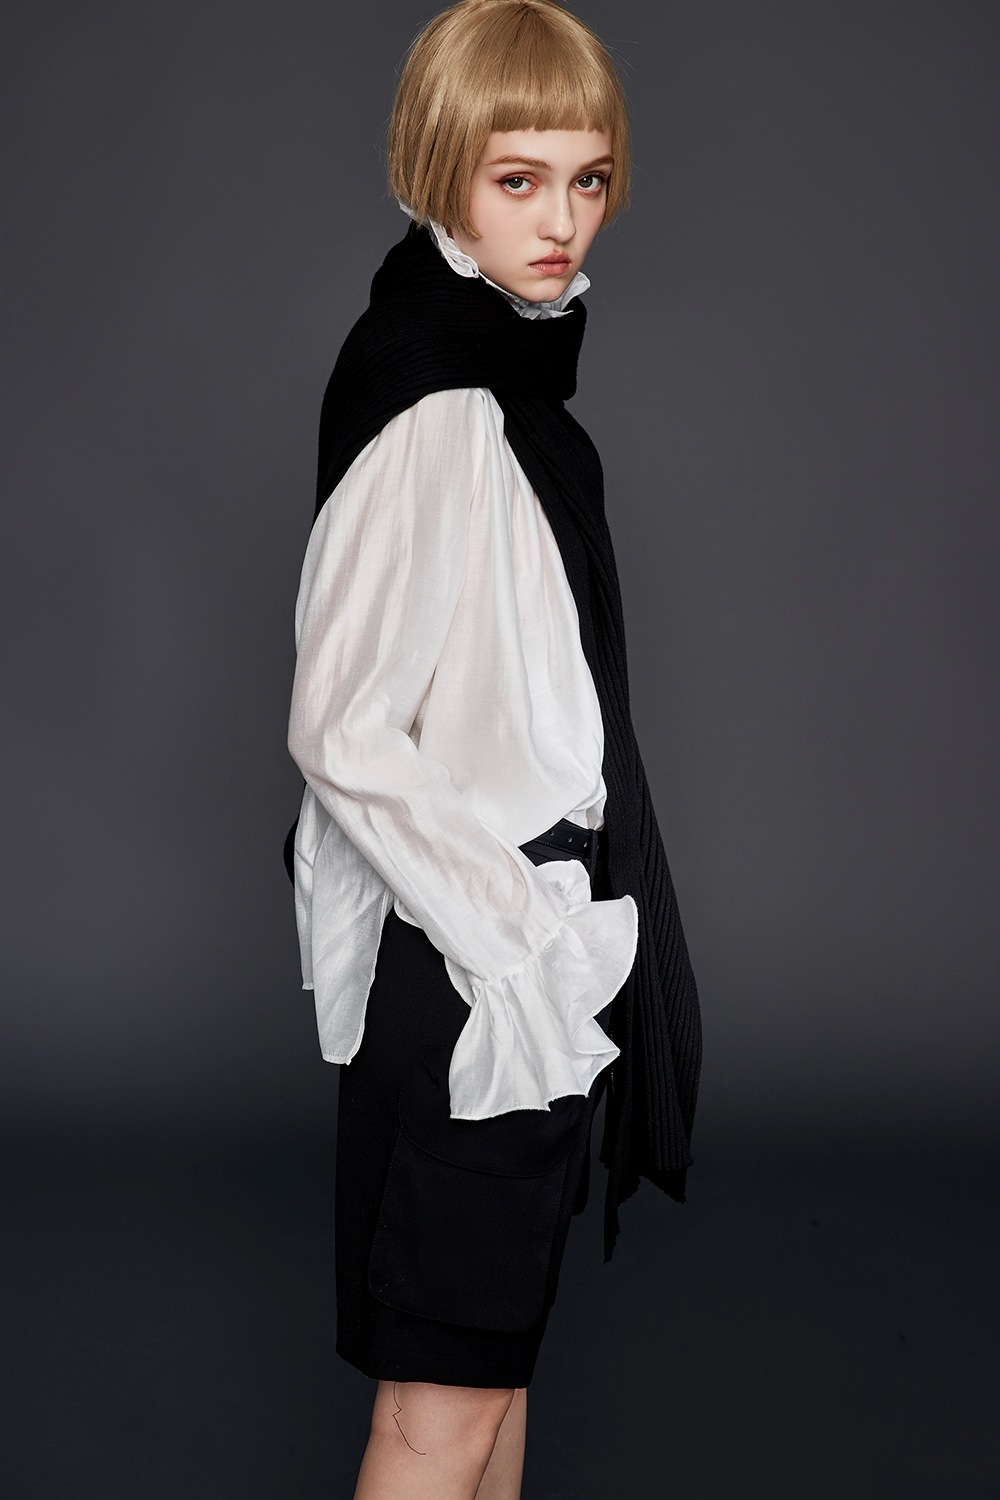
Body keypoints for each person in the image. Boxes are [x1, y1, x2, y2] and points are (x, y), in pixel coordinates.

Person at [285, 2, 702, 1495]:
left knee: (491, 1384)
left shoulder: (503, 381)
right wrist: (515, 941)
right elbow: (341, 725)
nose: (561, 221)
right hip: (478, 957)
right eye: (517, 180)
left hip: (523, 936)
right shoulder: (443, 403)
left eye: (587, 180)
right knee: (441, 1410)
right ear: (437, 167)